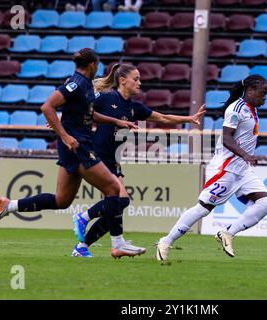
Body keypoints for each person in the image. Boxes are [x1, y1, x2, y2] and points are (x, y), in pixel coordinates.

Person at [0, 48, 146, 259]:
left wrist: (115, 121)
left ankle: (9, 206)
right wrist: (63, 135)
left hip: (75, 145)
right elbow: (47, 107)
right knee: (112, 189)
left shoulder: (86, 85)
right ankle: (117, 243)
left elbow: (88, 113)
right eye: (97, 65)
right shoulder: (77, 84)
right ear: (93, 65)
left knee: (62, 200)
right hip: (78, 146)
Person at [71, 63, 206, 257]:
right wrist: (60, 122)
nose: (139, 83)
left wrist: (189, 118)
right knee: (119, 199)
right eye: (136, 79)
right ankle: (86, 220)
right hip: (98, 155)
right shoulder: (106, 98)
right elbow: (80, 107)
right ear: (122, 80)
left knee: (120, 202)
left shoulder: (134, 107)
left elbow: (163, 118)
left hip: (113, 159)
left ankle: (82, 246)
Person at [155, 74, 267, 261]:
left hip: (242, 170)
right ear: (250, 91)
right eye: (262, 93)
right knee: (203, 208)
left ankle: (228, 232)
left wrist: (244, 159)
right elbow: (227, 137)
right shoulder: (235, 109)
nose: (265, 97)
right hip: (225, 169)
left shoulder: (251, 108)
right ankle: (166, 241)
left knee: (266, 203)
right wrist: (245, 155)